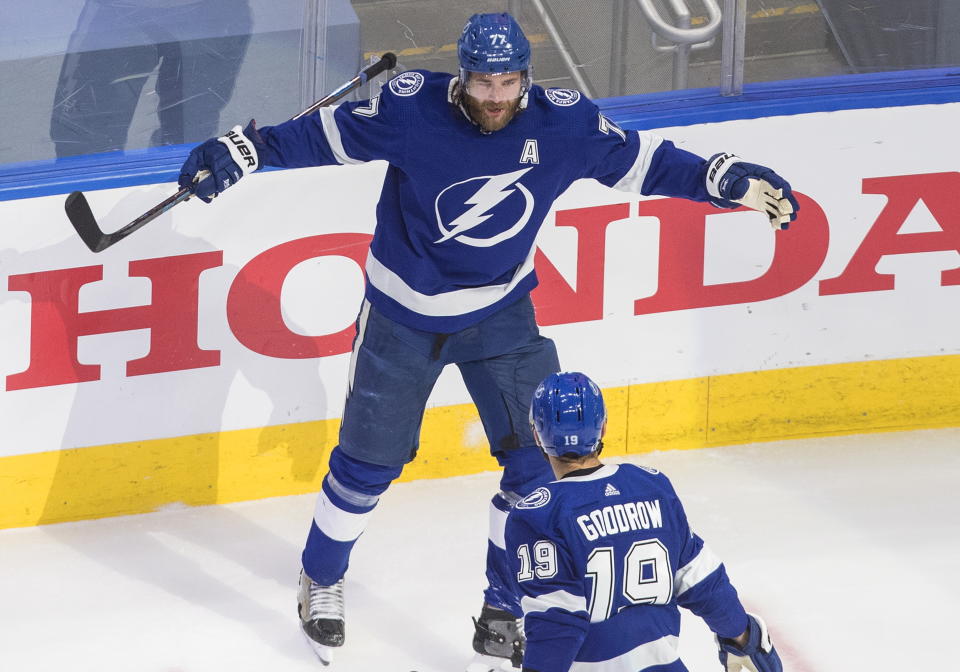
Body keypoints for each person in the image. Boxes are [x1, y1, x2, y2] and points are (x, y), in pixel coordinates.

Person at [176, 12, 799, 669]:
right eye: (483, 82)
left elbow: (641, 163)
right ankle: (319, 576)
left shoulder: (561, 123)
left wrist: (720, 182)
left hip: (502, 316)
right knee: (367, 467)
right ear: (461, 80)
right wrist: (245, 150)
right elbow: (325, 136)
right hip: (402, 317)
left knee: (536, 465)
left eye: (508, 82)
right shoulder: (413, 109)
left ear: (526, 80)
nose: (496, 96)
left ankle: (505, 611)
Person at [507, 371, 784, 672]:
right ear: (602, 429)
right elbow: (701, 581)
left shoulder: (538, 515)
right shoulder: (651, 486)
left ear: (536, 435)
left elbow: (556, 627)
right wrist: (743, 636)